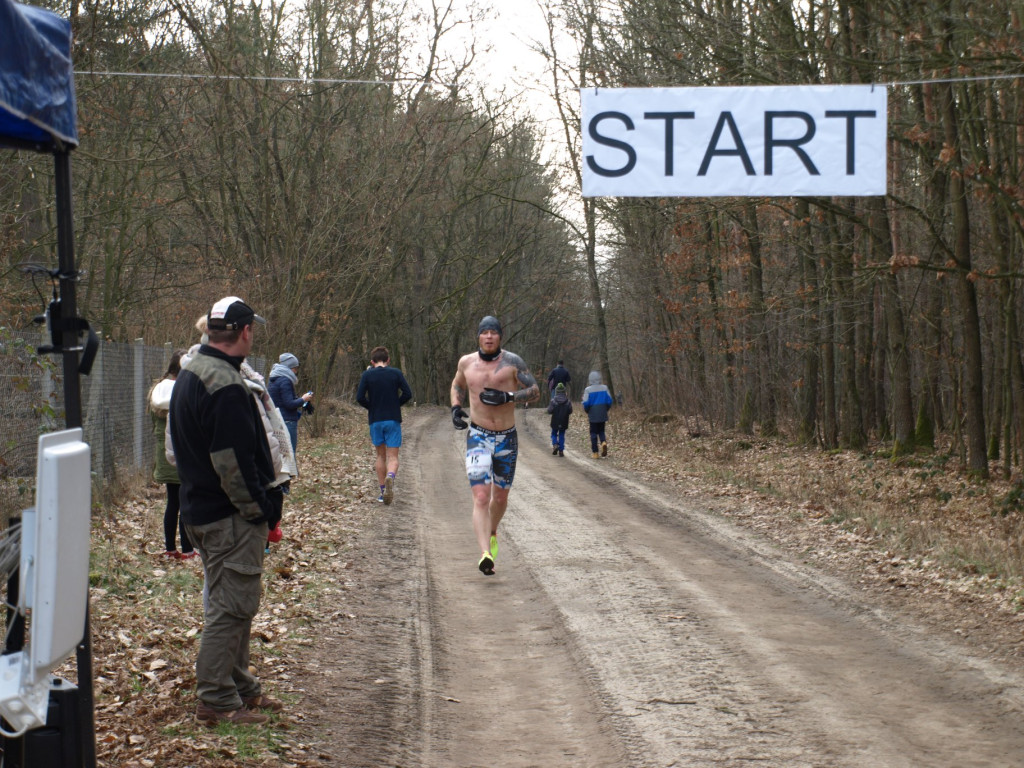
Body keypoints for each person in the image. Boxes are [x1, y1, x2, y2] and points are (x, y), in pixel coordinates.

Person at [169, 296, 284, 726]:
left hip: (199, 511)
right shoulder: (226, 386)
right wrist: (262, 510)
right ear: (245, 331)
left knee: (231, 602)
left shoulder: (194, 370)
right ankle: (216, 698)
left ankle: (241, 687)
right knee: (231, 607)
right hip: (227, 517)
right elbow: (233, 466)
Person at [451, 315, 539, 575]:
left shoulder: (513, 362)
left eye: (494, 332)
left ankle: (492, 531)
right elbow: (457, 384)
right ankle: (485, 554)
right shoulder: (466, 362)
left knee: (500, 497)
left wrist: (508, 396)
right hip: (478, 436)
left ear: (500, 336)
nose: (489, 336)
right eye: (484, 332)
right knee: (481, 496)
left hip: (507, 438)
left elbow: (535, 391)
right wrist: (456, 408)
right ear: (478, 336)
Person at [149, 350, 196, 560]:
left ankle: (170, 548)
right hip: (183, 454)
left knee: (172, 502)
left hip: (164, 454)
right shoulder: (184, 390)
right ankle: (187, 549)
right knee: (185, 502)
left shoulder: (157, 390)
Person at [356, 346, 413, 505]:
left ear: (372, 361)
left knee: (380, 456)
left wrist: (371, 406)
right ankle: (391, 476)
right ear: (388, 360)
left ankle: (382, 492)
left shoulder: (367, 375)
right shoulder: (396, 373)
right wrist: (396, 404)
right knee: (393, 456)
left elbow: (359, 397)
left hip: (376, 420)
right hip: (392, 419)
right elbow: (408, 394)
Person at [268, 352, 313, 456]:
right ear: (289, 368)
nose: (296, 371)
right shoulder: (285, 381)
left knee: (281, 456)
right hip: (288, 422)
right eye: (295, 368)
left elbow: (282, 401)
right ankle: (292, 473)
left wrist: (302, 401)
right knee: (290, 456)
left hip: (277, 421)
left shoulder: (274, 379)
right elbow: (289, 404)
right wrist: (303, 399)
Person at [582, 369, 614, 458]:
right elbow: (610, 401)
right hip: (602, 412)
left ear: (590, 379)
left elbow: (586, 403)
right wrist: (605, 409)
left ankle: (595, 453)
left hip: (593, 414)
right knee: (601, 431)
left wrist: (587, 411)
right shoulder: (605, 388)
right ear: (599, 378)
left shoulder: (587, 390)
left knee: (593, 433)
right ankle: (603, 442)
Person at [546, 382, 573, 457]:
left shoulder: (553, 401)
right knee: (561, 435)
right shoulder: (568, 402)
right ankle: (561, 450)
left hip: (555, 421)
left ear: (556, 392)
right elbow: (570, 411)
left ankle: (555, 444)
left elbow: (549, 411)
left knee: (554, 433)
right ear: (564, 392)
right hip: (564, 421)